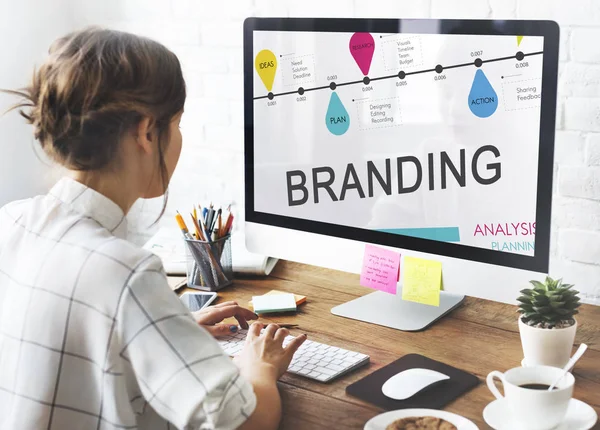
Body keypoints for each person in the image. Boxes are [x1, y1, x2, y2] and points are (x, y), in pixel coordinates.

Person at [0, 27, 306, 430]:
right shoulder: (126, 272)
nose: (178, 138)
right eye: (176, 124)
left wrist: (164, 330)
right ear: (146, 132)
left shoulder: (11, 221)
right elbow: (246, 422)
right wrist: (259, 366)